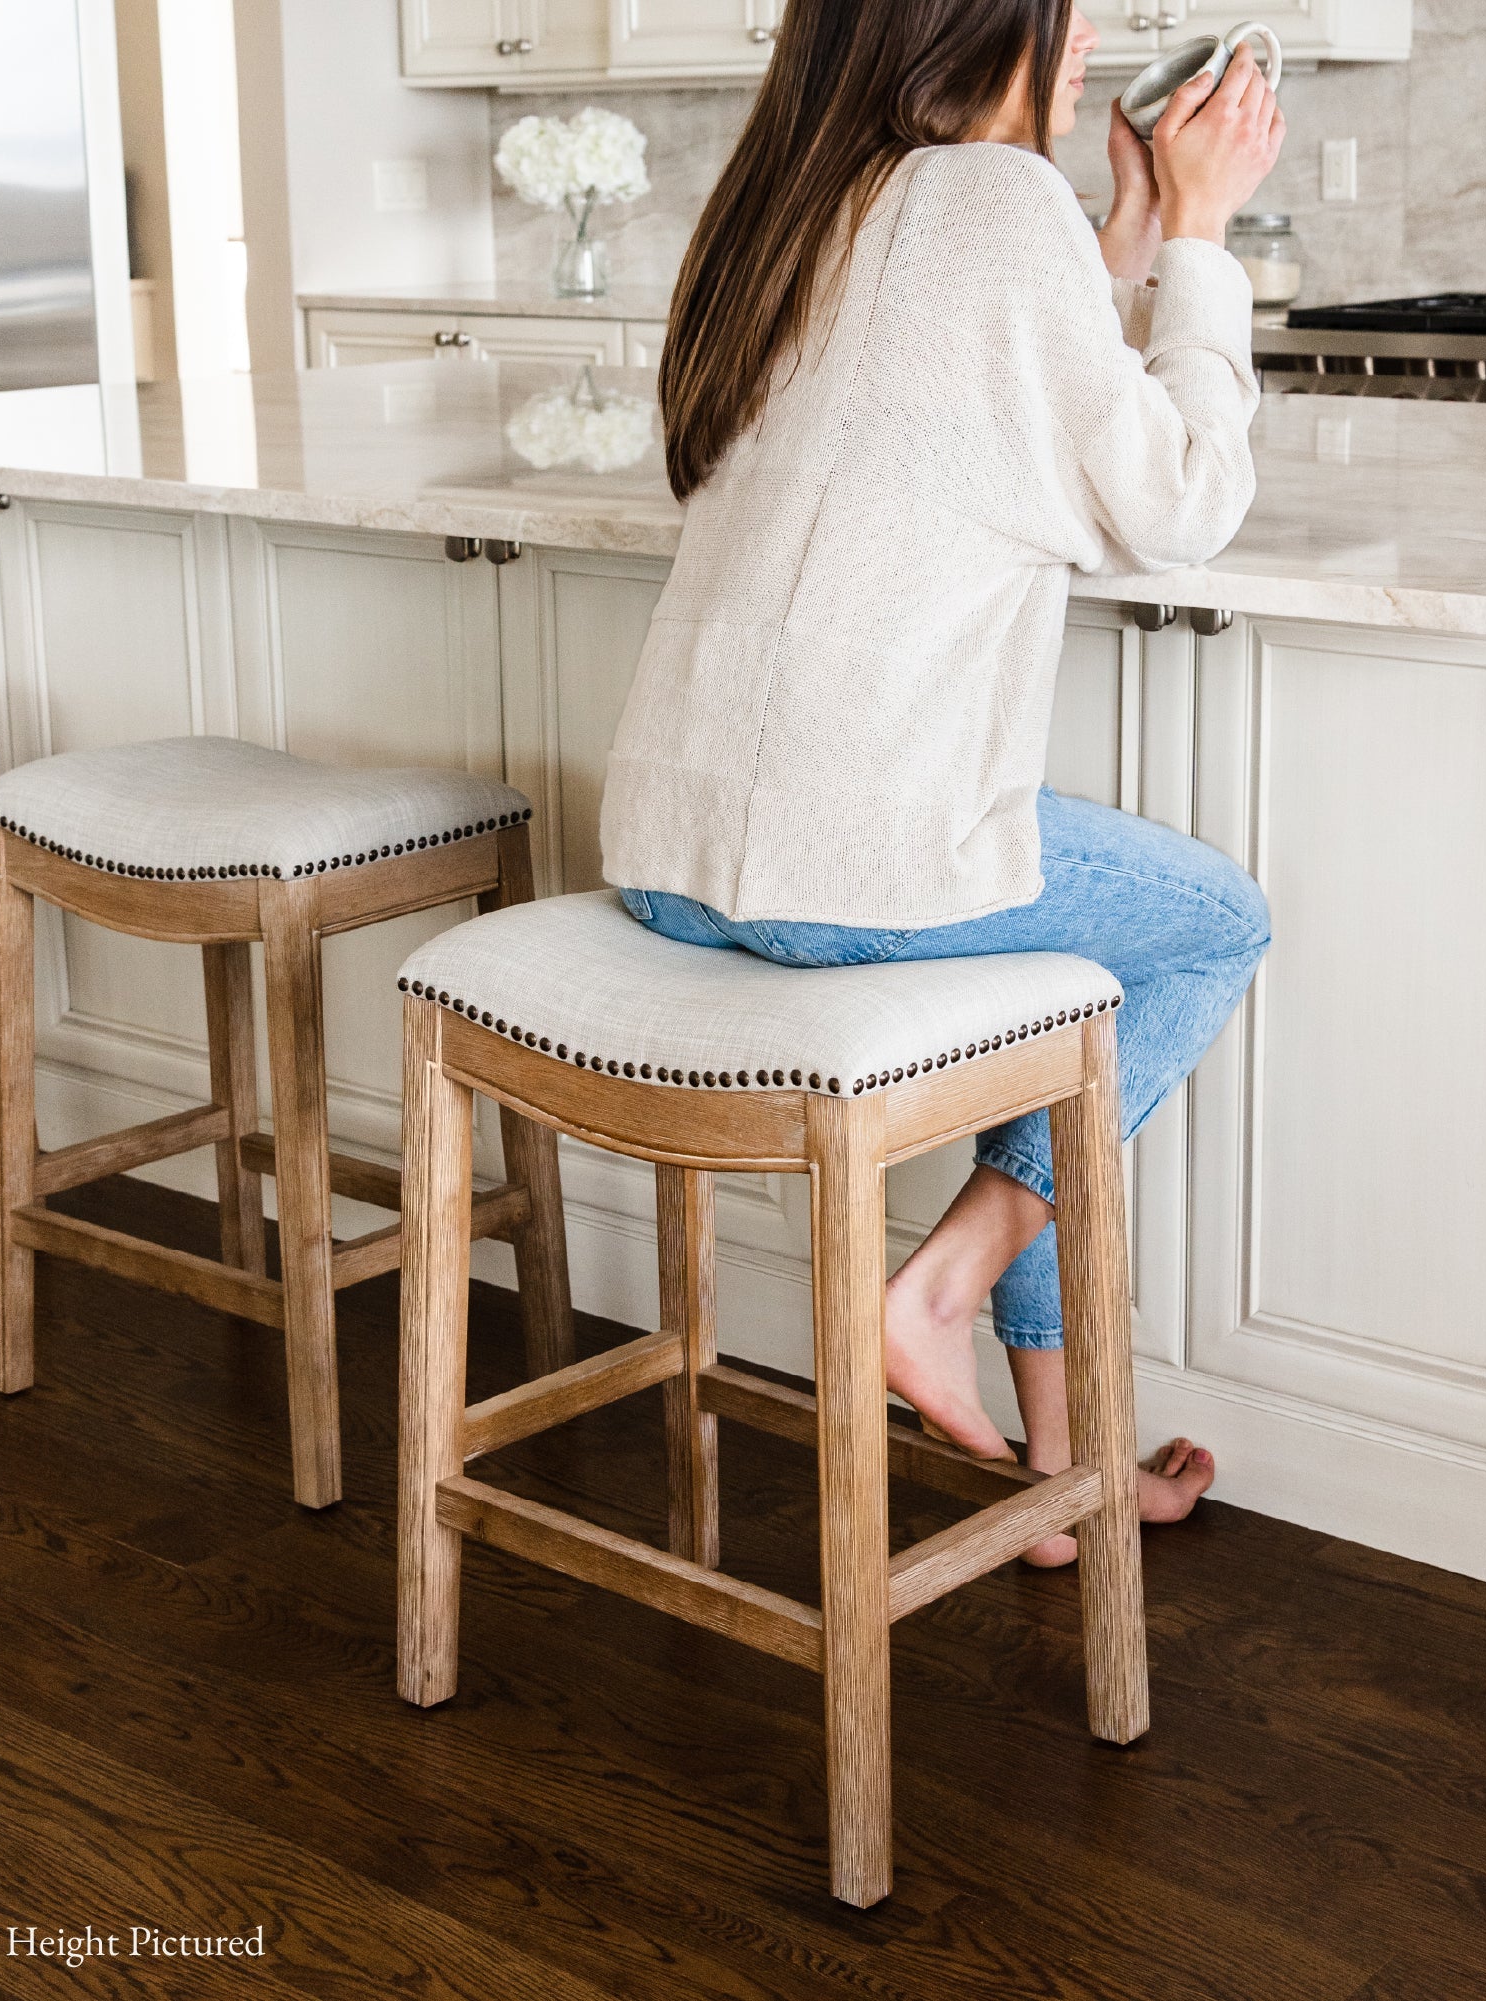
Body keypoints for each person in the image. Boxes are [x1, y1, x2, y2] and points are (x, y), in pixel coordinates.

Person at [603, 1, 1283, 1565]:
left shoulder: (800, 199)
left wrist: (1116, 227)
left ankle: (1064, 1474)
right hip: (847, 869)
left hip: (673, 851)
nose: (1100, 25)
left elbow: (982, 398)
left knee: (1067, 1001)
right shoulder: (984, 201)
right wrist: (1199, 236)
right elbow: (1178, 499)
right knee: (1209, 924)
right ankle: (940, 1282)